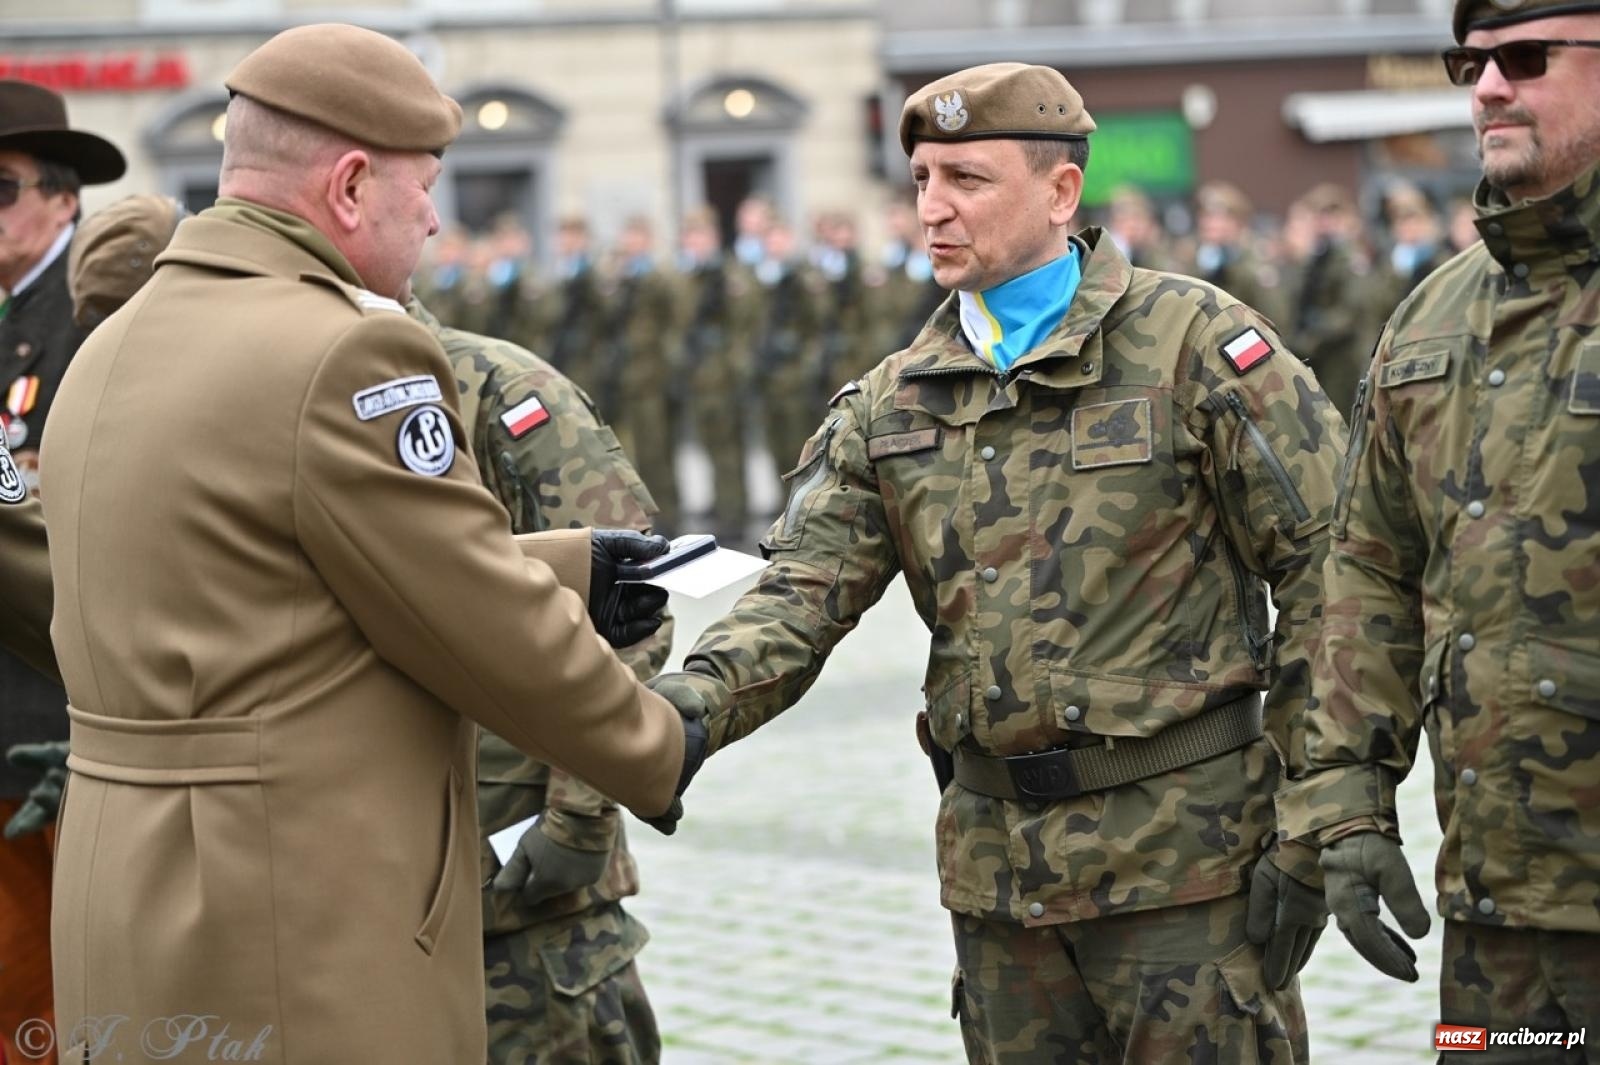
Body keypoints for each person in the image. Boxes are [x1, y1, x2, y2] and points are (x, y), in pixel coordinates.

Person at [648, 62, 1345, 1064]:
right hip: (998, 887)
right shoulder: (896, 402)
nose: (931, 208)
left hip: (1184, 876)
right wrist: (676, 713)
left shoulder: (1193, 347)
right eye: (921, 181)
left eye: (965, 180)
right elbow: (799, 597)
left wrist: (1324, 805)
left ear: (1060, 193)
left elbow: (1332, 573)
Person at [38, 25, 698, 1065]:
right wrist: (656, 742)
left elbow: (261, 583)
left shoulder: (115, 343)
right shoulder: (347, 348)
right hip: (290, 914)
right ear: (350, 186)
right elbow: (466, 615)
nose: (435, 217)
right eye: (424, 186)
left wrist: (568, 565)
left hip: (128, 902)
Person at [1276, 0, 1600, 1057]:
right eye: (1470, 61)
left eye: (1524, 58)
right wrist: (1347, 802)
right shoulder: (1434, 316)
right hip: (1498, 909)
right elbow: (1368, 569)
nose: (1487, 88)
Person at [404, 294, 674, 1065]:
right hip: (379, 891)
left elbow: (634, 600)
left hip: (525, 893)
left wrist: (580, 817)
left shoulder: (500, 389)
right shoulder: (302, 402)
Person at [0, 76, 123, 1065]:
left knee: (51, 991)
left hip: (53, 708)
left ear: (63, 198)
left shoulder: (87, 316)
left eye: (0, 187)